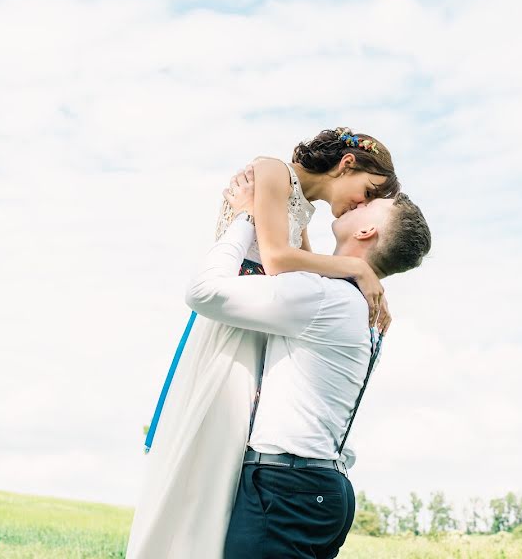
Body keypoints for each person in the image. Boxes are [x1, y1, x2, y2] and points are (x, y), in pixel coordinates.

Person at [126, 128, 400, 558]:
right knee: (206, 456)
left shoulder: (302, 210)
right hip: (235, 325)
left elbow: (299, 277)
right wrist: (356, 268)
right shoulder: (273, 170)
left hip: (264, 328)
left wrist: (356, 275)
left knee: (228, 473)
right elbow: (275, 259)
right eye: (367, 191)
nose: (361, 204)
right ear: (347, 164)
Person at [185, 167, 431, 558]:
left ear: (366, 233)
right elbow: (300, 261)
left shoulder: (325, 299)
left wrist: (247, 218)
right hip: (318, 487)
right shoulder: (354, 303)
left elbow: (204, 293)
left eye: (372, 204)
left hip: (286, 489)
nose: (361, 202)